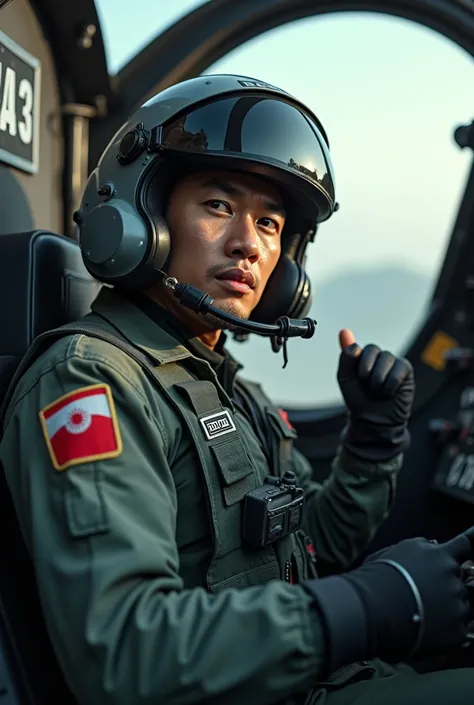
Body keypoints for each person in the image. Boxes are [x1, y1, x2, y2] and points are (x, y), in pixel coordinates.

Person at [1, 74, 473, 705]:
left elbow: (308, 549)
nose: (249, 244)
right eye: (219, 207)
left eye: (271, 223)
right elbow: (124, 654)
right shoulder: (92, 379)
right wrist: (368, 607)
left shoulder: (222, 384)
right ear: (143, 218)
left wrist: (373, 441)